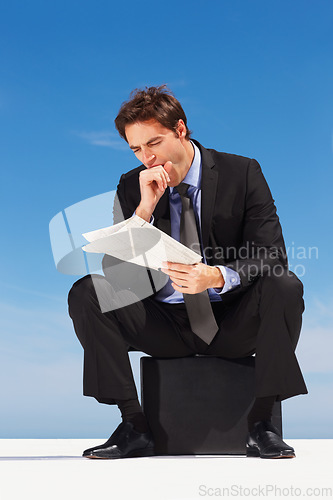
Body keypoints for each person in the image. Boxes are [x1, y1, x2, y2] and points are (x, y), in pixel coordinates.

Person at [68, 85, 307, 460]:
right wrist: (143, 212)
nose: (147, 157)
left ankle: (262, 424)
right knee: (88, 291)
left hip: (230, 321)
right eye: (136, 149)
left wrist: (216, 276)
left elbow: (271, 254)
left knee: (285, 285)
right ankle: (134, 424)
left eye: (154, 143)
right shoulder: (133, 185)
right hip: (164, 325)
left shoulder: (241, 172)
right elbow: (116, 274)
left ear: (181, 129)